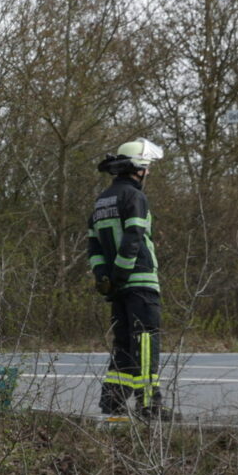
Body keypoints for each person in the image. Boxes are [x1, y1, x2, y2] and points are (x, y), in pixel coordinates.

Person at [87, 138, 165, 421]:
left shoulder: (101, 200)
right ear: (140, 168)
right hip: (140, 282)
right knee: (145, 341)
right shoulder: (135, 197)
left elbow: (93, 246)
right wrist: (121, 274)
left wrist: (104, 277)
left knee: (123, 343)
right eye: (148, 167)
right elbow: (133, 238)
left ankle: (113, 399)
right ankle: (149, 404)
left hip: (115, 287)